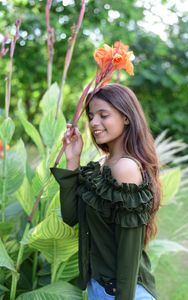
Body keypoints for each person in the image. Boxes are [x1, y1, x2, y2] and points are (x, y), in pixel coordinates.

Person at [50, 83, 161, 300]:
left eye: (104, 115)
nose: (94, 123)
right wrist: (73, 159)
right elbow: (71, 217)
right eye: (91, 116)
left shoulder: (126, 169)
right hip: (99, 288)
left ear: (126, 118)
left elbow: (129, 253)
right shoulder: (103, 165)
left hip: (124, 293)